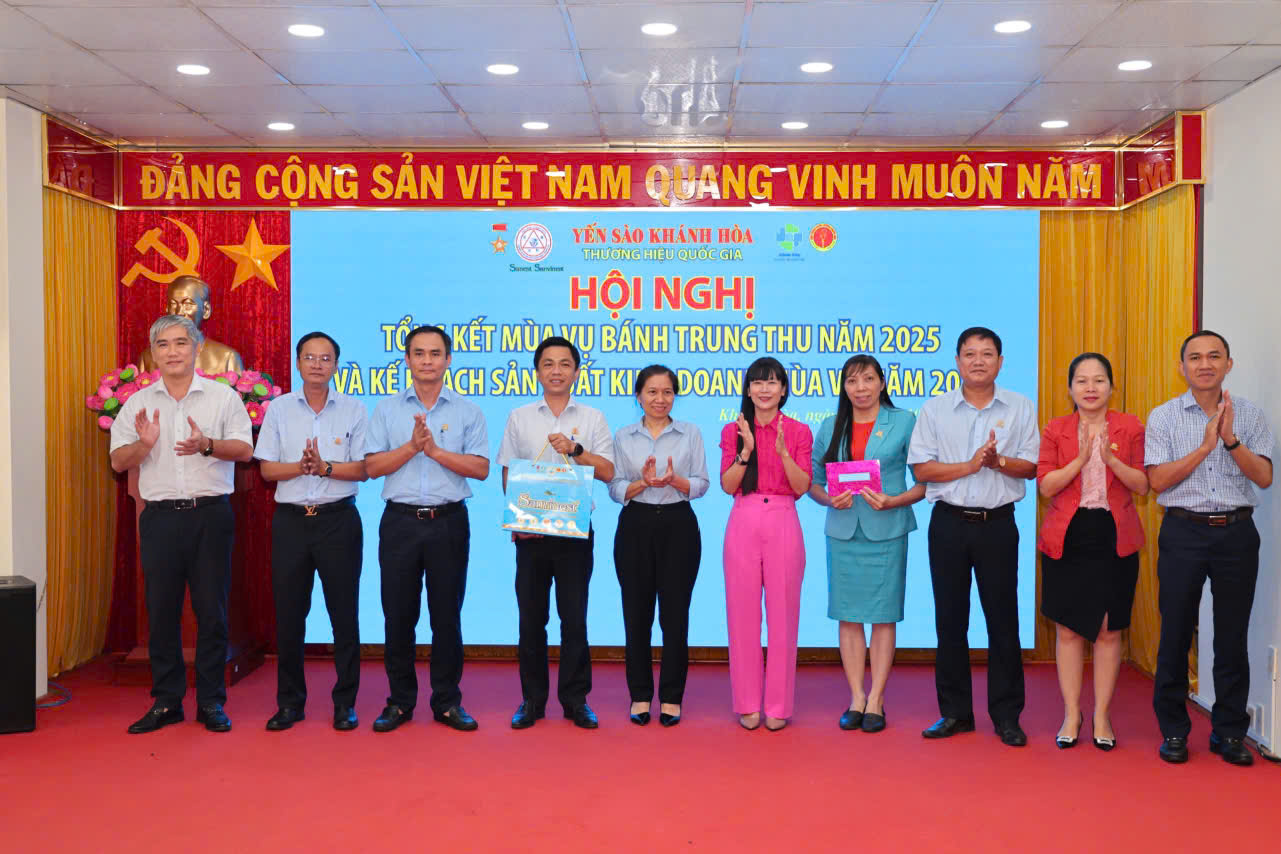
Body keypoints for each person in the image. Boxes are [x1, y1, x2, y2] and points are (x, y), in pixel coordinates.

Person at [109, 315, 253, 734]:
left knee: (212, 612)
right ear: (154, 353)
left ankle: (210, 701)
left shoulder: (222, 398)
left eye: (180, 343)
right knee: (162, 612)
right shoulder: (137, 404)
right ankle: (167, 701)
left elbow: (245, 450)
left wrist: (207, 445)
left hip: (209, 516)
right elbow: (117, 461)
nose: (172, 352)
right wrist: (144, 445)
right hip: (160, 519)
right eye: (163, 345)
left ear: (197, 348)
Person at [1146, 330, 1274, 766]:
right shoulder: (1164, 417)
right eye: (1195, 357)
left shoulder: (1250, 415)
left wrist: (1231, 440)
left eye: (1214, 356)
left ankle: (1229, 732)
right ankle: (1174, 731)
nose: (1205, 364)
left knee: (1232, 636)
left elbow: (1264, 477)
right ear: (1181, 367)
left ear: (1228, 364)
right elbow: (1157, 481)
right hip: (1183, 531)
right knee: (1175, 633)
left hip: (1236, 533)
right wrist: (1205, 447)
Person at [907, 326, 1039, 747]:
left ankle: (1007, 716)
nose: (978, 361)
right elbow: (921, 469)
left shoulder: (1020, 407)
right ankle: (955, 713)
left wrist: (998, 462)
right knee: (950, 620)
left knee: (1003, 621)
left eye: (986, 353)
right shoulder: (935, 409)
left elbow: (1032, 467)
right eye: (969, 354)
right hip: (948, 524)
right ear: (957, 362)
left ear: (1000, 361)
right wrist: (969, 465)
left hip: (998, 524)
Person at [364, 325, 490, 733]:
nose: (427, 361)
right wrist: (410, 448)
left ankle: (447, 702)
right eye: (419, 353)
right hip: (399, 523)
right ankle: (399, 702)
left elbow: (481, 468)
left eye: (436, 353)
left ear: (448, 360)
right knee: (398, 616)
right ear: (407, 360)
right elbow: (372, 467)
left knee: (446, 617)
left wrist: (434, 451)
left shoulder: (468, 411)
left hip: (448, 523)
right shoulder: (387, 410)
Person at [497, 336, 615, 730]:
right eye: (548, 364)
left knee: (574, 619)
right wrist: (519, 520)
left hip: (575, 533)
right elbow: (508, 471)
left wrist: (576, 449)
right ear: (537, 371)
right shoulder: (520, 417)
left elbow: (608, 472)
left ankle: (575, 700)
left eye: (565, 364)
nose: (556, 371)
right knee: (531, 620)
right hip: (531, 535)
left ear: (577, 371)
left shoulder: (593, 418)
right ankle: (531, 700)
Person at [255, 331, 368, 732]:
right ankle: (290, 703)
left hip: (339, 521)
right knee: (289, 615)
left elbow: (363, 469)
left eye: (325, 358)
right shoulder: (279, 409)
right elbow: (267, 470)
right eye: (309, 357)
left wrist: (325, 468)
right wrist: (302, 468)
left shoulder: (354, 409)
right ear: (298, 362)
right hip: (291, 523)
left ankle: (345, 703)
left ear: (336, 365)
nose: (317, 364)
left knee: (344, 614)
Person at [1036, 353, 1148, 751]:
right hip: (1068, 534)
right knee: (1068, 628)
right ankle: (1072, 713)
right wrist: (1081, 461)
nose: (1090, 388)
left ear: (1112, 387)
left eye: (1099, 380)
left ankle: (1101, 714)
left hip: (1113, 534)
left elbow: (1143, 485)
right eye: (1081, 381)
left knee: (1108, 629)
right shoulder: (1056, 429)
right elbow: (1046, 486)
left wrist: (1110, 459)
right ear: (1070, 389)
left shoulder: (1130, 426)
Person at [808, 355, 924, 733]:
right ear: (844, 387)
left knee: (883, 615)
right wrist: (829, 499)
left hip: (887, 528)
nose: (861, 388)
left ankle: (877, 698)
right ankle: (857, 696)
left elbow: (925, 480)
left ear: (881, 383)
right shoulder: (830, 426)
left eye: (868, 379)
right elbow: (812, 481)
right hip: (844, 530)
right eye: (853, 381)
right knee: (848, 615)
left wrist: (895, 500)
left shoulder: (904, 421)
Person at [608, 365, 709, 727]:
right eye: (652, 392)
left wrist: (675, 481)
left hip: (678, 525)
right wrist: (642, 483)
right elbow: (615, 487)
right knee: (636, 615)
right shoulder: (623, 436)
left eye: (667, 392)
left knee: (675, 616)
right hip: (635, 525)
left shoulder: (690, 432)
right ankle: (639, 695)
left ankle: (671, 697)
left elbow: (702, 483)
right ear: (638, 396)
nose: (660, 399)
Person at [719, 356, 813, 732]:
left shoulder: (799, 431)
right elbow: (728, 485)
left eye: (772, 382)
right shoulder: (733, 430)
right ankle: (746, 703)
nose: (764, 389)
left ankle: (778, 705)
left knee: (783, 615)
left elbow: (802, 486)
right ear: (748, 389)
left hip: (783, 518)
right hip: (743, 517)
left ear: (784, 390)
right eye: (757, 382)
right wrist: (746, 450)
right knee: (741, 614)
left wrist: (783, 452)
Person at [138, 276, 244, 375]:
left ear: (206, 310)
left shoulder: (227, 359)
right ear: (167, 309)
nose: (179, 312)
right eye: (173, 304)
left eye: (188, 304)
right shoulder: (148, 358)